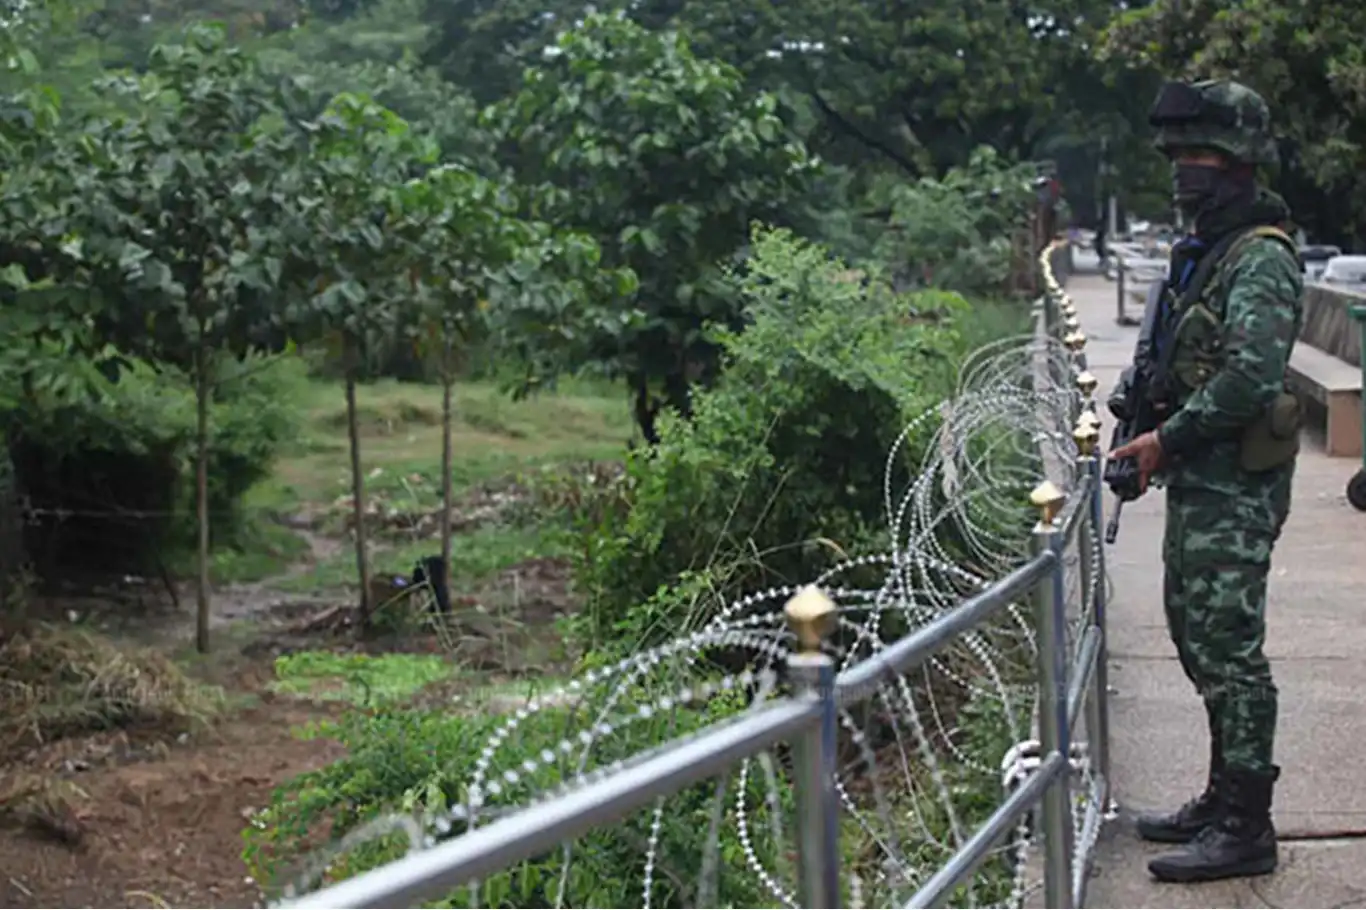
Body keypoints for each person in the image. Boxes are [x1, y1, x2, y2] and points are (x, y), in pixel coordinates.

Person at [1108, 78, 1304, 884]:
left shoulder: (1259, 257)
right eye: (1178, 155)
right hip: (1203, 480)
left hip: (1235, 488)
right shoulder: (1207, 252)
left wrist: (1166, 439)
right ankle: (1222, 797)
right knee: (1196, 636)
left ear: (1237, 162)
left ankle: (1247, 826)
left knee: (1230, 651)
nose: (1184, 169)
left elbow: (1248, 381)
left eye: (1200, 155)